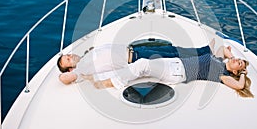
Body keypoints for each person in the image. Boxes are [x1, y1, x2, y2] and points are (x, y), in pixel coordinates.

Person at [83, 45, 254, 98]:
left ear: (238, 71)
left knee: (142, 65)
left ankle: (108, 83)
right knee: (141, 67)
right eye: (238, 59)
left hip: (178, 73)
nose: (236, 60)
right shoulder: (220, 61)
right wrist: (233, 57)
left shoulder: (222, 75)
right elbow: (224, 48)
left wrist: (243, 72)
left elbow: (239, 86)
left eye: (238, 62)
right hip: (176, 62)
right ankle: (102, 74)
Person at [58, 43, 213, 84]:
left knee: (171, 49)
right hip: (135, 58)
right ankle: (207, 56)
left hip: (136, 50)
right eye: (68, 59)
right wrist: (71, 74)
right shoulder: (82, 69)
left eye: (68, 55)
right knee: (174, 56)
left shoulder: (86, 57)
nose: (70, 55)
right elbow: (63, 79)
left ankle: (204, 50)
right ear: (70, 68)